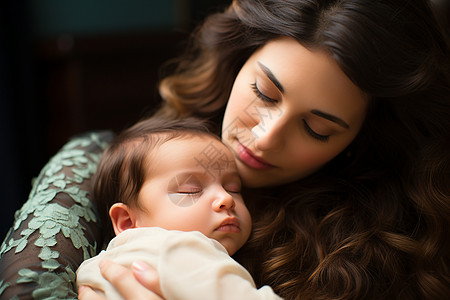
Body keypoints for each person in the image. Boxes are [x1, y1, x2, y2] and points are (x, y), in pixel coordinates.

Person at [1, 0, 449, 299]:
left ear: (361, 139)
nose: (266, 137)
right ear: (237, 63)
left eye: (315, 129)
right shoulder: (146, 153)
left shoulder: (373, 255)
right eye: (265, 93)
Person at [76, 117, 281, 299]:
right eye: (190, 191)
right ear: (127, 221)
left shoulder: (93, 268)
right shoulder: (182, 249)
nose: (226, 198)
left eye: (233, 188)